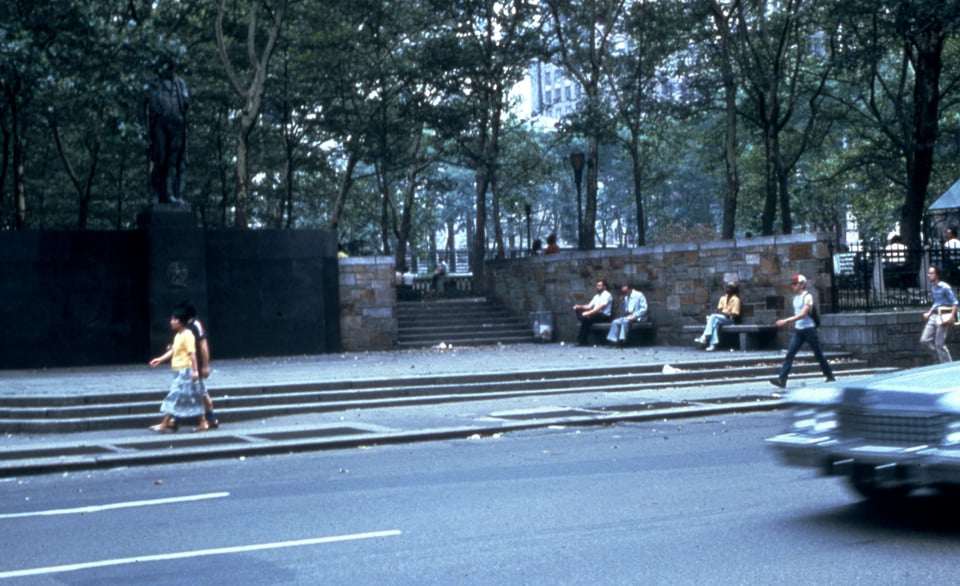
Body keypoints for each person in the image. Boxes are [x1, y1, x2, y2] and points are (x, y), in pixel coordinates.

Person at [148, 305, 209, 432]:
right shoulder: (178, 336)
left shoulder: (188, 335)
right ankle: (203, 422)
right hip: (179, 370)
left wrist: (196, 371)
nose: (172, 322)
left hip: (186, 371)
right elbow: (173, 351)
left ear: (182, 322)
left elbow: (192, 354)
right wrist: (160, 359)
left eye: (175, 319)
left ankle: (164, 424)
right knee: (195, 396)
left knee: (175, 396)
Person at [769, 274, 835, 389]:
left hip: (809, 329)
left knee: (818, 354)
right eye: (793, 284)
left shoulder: (808, 297)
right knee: (790, 354)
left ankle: (830, 376)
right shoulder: (795, 299)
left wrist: (786, 320)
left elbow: (804, 314)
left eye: (796, 284)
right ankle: (782, 380)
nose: (793, 286)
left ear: (802, 284)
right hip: (799, 330)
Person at [143, 54, 189, 205]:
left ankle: (170, 194)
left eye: (169, 66)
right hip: (159, 125)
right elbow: (141, 107)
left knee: (172, 161)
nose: (167, 69)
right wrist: (144, 132)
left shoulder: (180, 83)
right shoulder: (152, 84)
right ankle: (155, 193)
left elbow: (186, 103)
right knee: (160, 159)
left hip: (177, 126)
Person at [176, 300, 219, 429]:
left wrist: (205, 366)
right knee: (184, 391)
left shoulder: (195, 325)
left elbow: (203, 346)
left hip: (195, 366)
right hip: (184, 365)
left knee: (199, 391)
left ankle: (210, 418)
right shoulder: (184, 327)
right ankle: (176, 419)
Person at [920, 266, 958, 364]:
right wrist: (929, 313)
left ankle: (947, 363)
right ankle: (937, 355)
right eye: (929, 273)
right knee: (924, 340)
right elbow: (936, 303)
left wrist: (951, 316)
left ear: (937, 275)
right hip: (934, 316)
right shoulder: (933, 287)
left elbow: (955, 303)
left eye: (931, 273)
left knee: (939, 344)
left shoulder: (945, 287)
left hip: (943, 315)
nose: (929, 275)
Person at [695, 282, 741, 351]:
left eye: (730, 288)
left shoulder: (736, 300)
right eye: (727, 287)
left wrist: (725, 314)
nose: (727, 289)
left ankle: (705, 336)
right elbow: (719, 310)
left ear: (733, 290)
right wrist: (725, 313)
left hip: (730, 320)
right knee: (715, 322)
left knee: (712, 317)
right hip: (721, 318)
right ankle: (713, 344)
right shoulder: (722, 298)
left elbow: (734, 314)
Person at [573, 279, 613, 346]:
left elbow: (600, 307)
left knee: (586, 319)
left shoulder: (607, 295)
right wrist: (579, 306)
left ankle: (582, 341)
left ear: (604, 287)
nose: (597, 287)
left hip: (604, 316)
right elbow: (589, 306)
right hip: (596, 315)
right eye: (597, 285)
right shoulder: (596, 296)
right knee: (586, 319)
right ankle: (582, 341)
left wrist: (588, 313)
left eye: (599, 285)